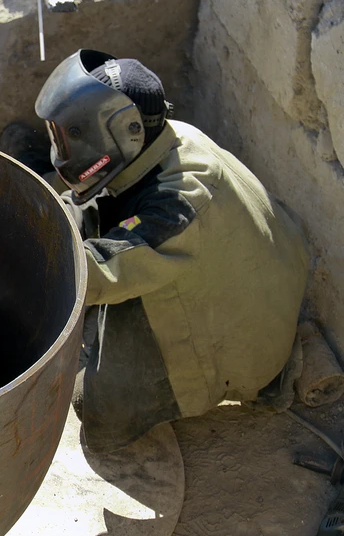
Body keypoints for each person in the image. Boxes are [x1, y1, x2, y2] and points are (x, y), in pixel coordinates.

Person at [34, 49, 310, 452]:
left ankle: (264, 383)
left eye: (72, 136)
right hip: (242, 277)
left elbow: (93, 272)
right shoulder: (165, 138)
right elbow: (92, 205)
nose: (62, 149)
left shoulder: (179, 205)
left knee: (94, 413)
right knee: (88, 212)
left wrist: (22, 260)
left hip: (245, 345)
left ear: (123, 129)